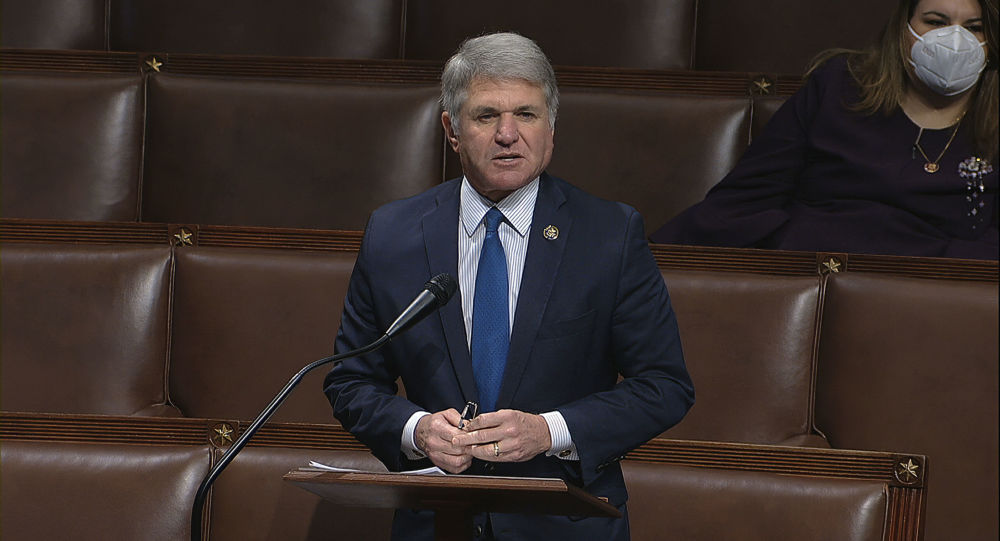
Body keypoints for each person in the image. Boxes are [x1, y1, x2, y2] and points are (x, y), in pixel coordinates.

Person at [324, 32, 694, 540]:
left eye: (526, 114)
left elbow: (664, 386)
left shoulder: (608, 235)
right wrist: (417, 430)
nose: (507, 134)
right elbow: (351, 381)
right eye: (485, 116)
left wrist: (549, 431)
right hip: (437, 522)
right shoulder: (393, 235)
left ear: (551, 128)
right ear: (452, 130)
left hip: (564, 525)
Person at [650, 0, 998, 260]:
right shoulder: (839, 86)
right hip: (813, 271)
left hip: (937, 294)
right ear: (903, 29)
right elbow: (749, 195)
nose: (955, 40)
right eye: (936, 22)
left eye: (974, 27)